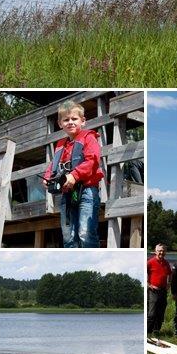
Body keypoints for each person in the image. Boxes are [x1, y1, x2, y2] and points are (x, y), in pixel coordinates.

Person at [42, 100, 104, 248]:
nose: (70, 122)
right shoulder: (60, 145)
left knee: (85, 233)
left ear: (83, 121)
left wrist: (74, 175)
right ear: (60, 123)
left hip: (87, 191)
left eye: (74, 119)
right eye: (66, 119)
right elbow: (53, 165)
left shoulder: (89, 138)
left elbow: (92, 161)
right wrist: (48, 178)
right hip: (67, 194)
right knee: (68, 235)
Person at [147, 244, 172, 335]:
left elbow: (170, 274)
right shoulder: (150, 262)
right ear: (155, 251)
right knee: (151, 314)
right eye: (159, 250)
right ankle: (147, 332)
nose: (161, 252)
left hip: (163, 291)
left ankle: (156, 331)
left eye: (163, 251)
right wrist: (148, 284)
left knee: (160, 313)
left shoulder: (166, 263)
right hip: (153, 291)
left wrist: (169, 283)